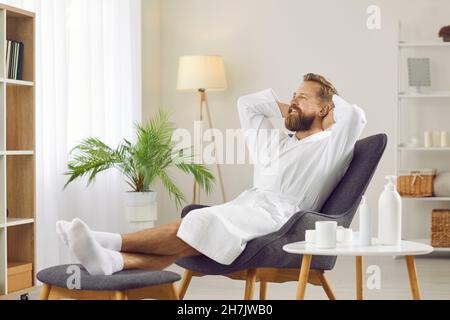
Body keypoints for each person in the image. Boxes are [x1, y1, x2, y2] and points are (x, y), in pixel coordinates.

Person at [56, 73, 367, 276]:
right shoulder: (273, 142)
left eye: (303, 97)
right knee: (196, 236)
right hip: (246, 207)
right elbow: (247, 105)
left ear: (326, 110)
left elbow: (355, 115)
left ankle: (108, 241)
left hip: (282, 219)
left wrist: (320, 111)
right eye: (293, 95)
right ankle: (112, 261)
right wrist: (295, 108)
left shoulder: (330, 145)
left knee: (199, 221)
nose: (294, 101)